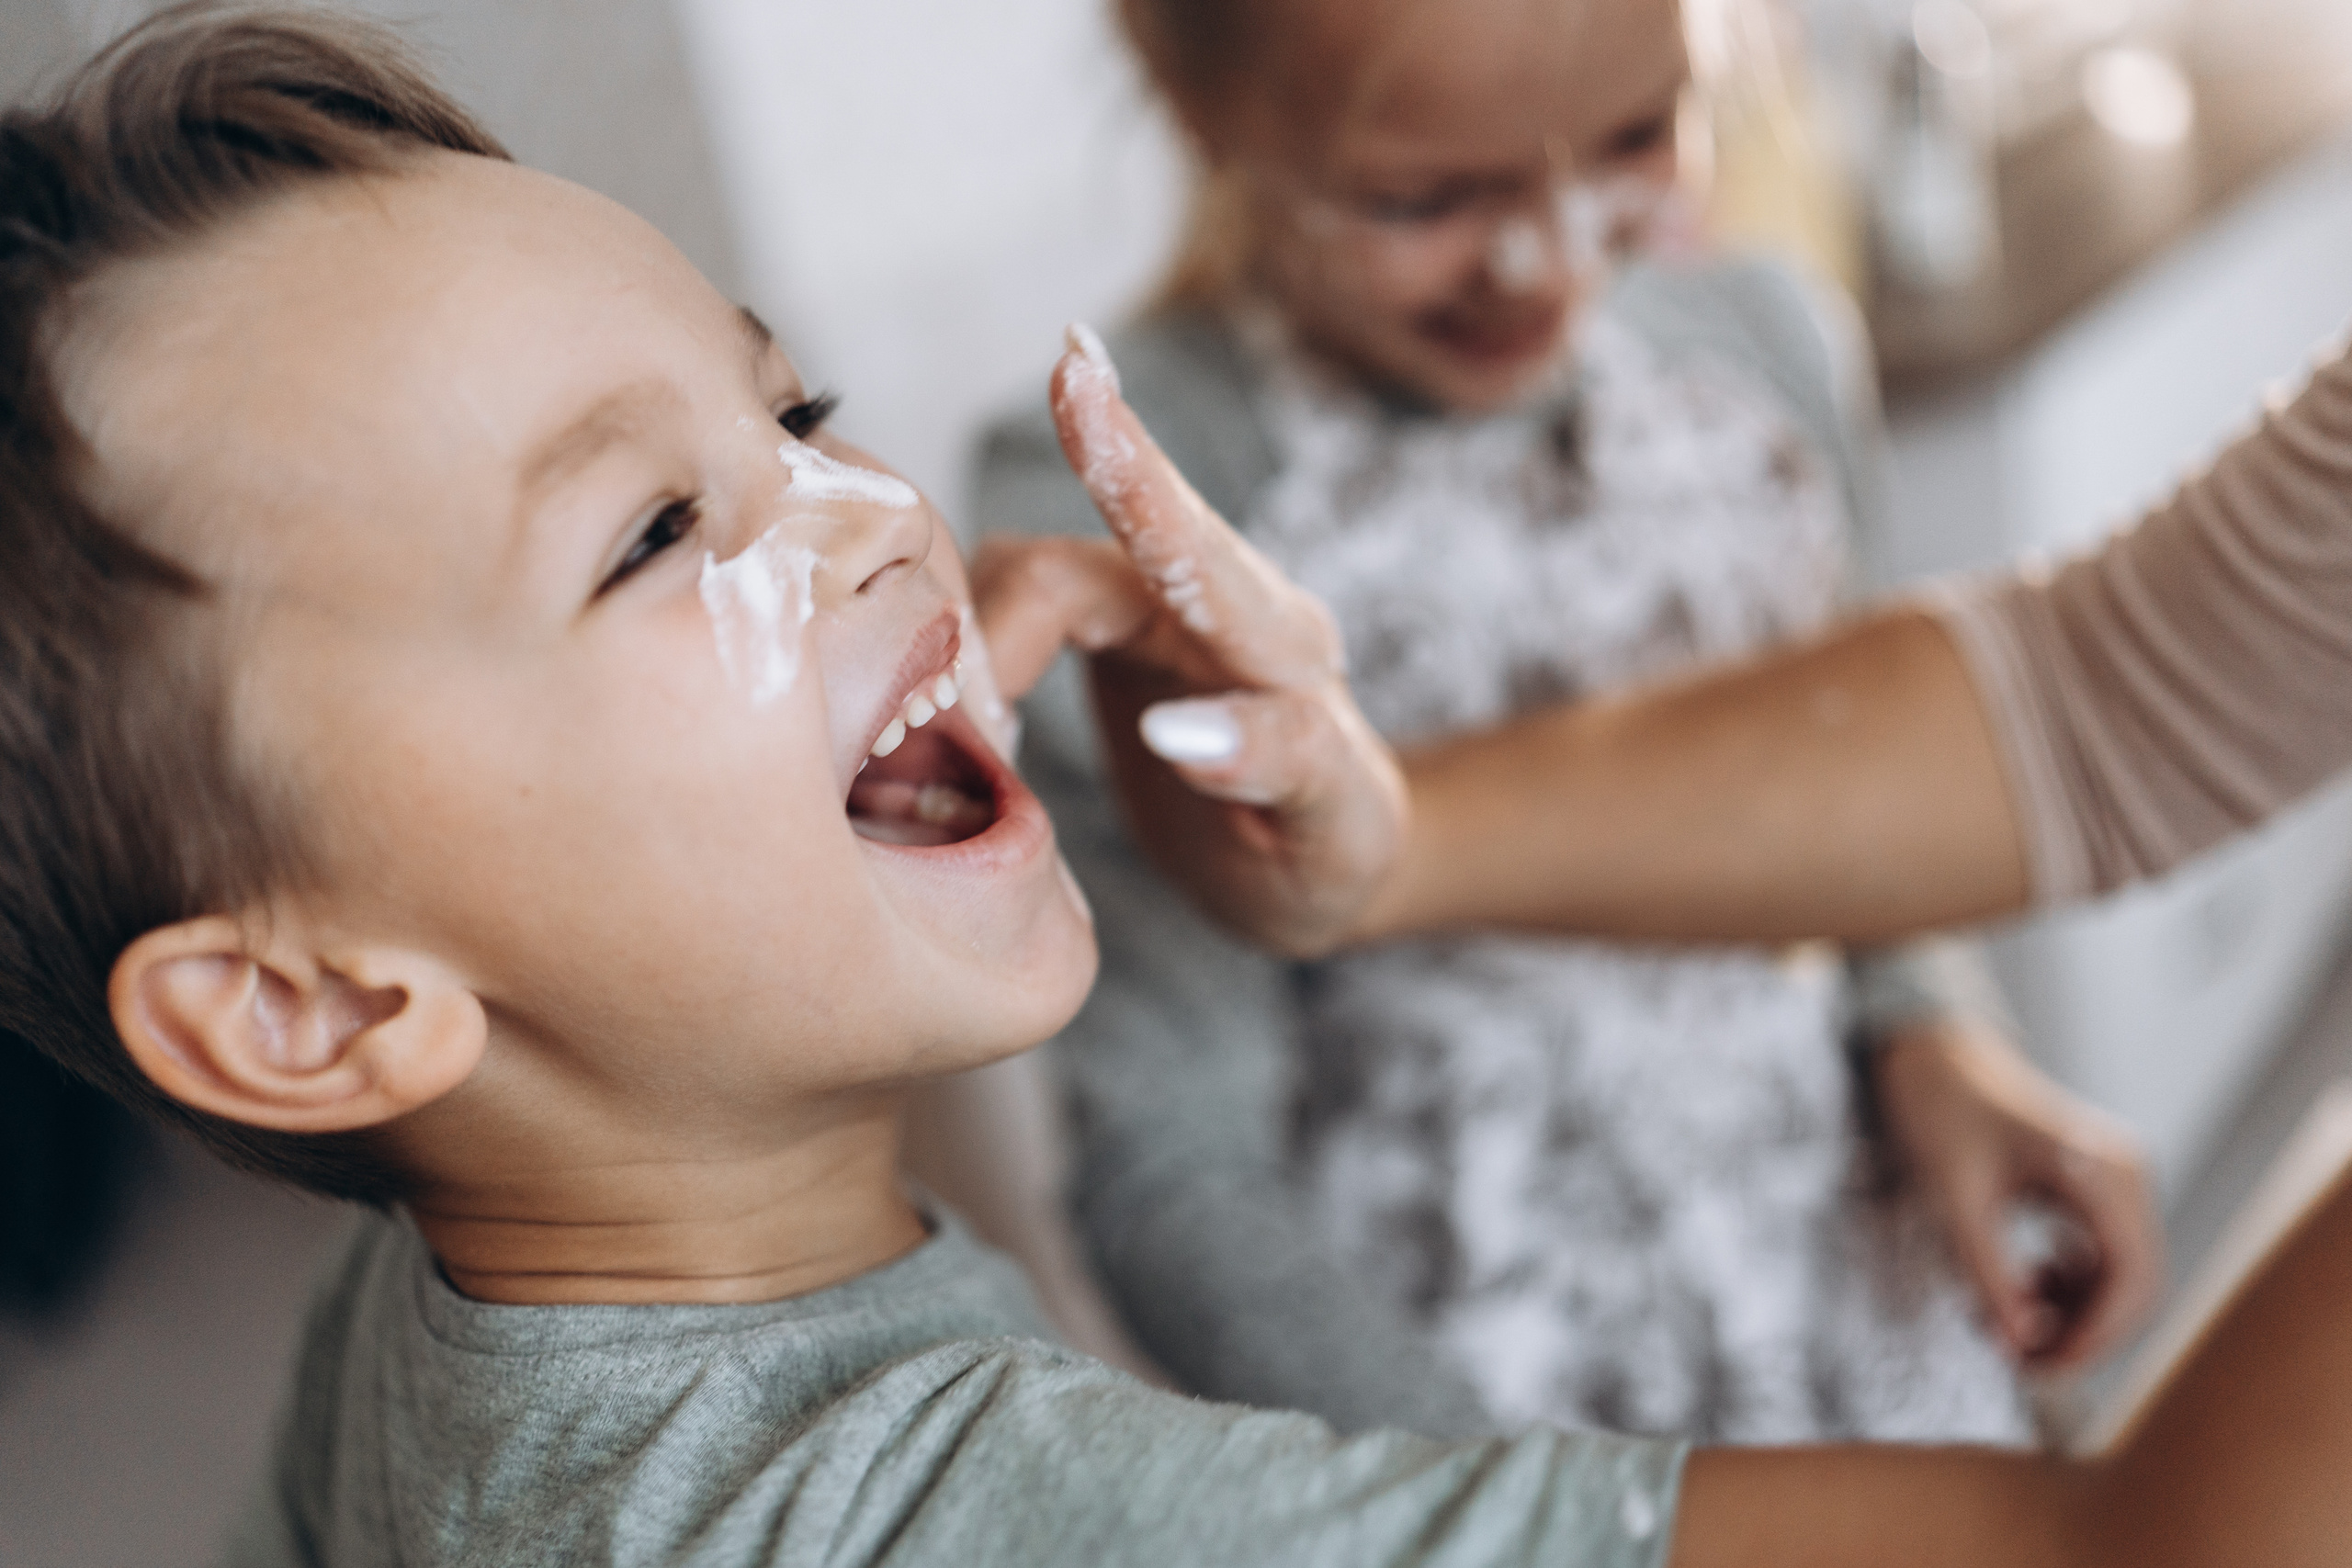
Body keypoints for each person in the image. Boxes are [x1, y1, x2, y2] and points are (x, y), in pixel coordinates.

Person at [6, 9, 2350, 1568]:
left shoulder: (406, 1332)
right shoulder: (1032, 1512)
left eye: (797, 417)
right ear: (311, 1007)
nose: (884, 516)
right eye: (646, 532)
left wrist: (1910, 1011)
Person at [967, 0, 2152, 1444]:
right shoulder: (1127, 496)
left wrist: (1931, 1037)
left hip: (1859, 1311)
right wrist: (1510, 1517)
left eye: (1635, 138)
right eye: (1425, 196)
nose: (1547, 255)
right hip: (1484, 1413)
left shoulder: (1767, 358)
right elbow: (1176, 1167)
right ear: (1192, 92)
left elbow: (1850, 817)